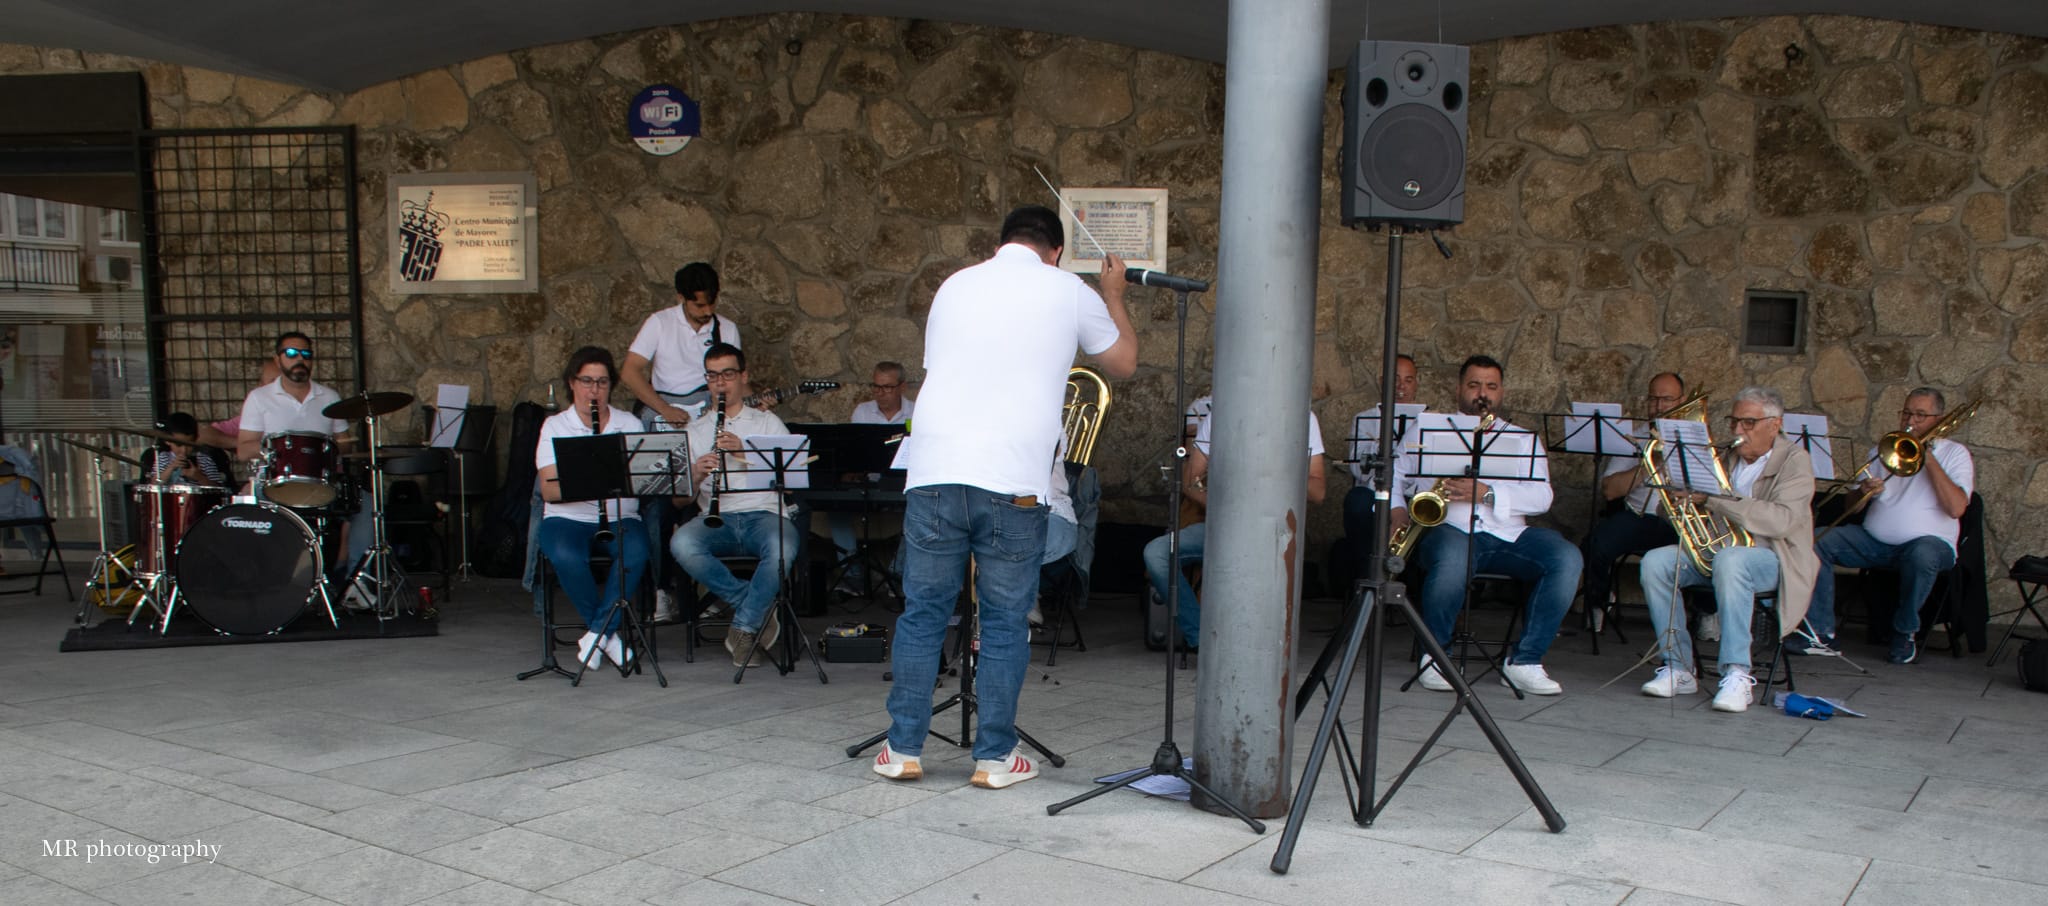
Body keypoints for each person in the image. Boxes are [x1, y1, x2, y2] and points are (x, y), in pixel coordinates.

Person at [873, 205, 1135, 789]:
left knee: (923, 613)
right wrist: (1112, 292)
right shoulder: (1068, 289)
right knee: (1004, 620)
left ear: (1001, 244)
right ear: (1057, 251)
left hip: (935, 468)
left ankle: (901, 749)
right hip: (1011, 478)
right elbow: (1123, 360)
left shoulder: (954, 285)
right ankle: (994, 757)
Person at [1392, 355, 1580, 696]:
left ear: (1501, 392)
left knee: (1566, 558)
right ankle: (1436, 658)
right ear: (1459, 388)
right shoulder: (1427, 427)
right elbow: (1395, 473)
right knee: (1452, 562)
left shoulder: (1523, 440)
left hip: (1508, 534)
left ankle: (1526, 661)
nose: (1483, 393)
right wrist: (1396, 511)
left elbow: (1542, 498)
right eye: (1474, 384)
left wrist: (1489, 493)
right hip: (1448, 529)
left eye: (1491, 386)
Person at [1636, 386, 1817, 711]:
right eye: (1734, 421)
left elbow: (1781, 521)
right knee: (1655, 562)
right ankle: (1678, 666)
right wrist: (1674, 490)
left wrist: (1716, 500)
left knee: (1732, 560)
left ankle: (1737, 674)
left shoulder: (1795, 461)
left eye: (1747, 423)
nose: (1737, 430)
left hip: (1777, 559)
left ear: (1774, 424)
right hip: (1720, 555)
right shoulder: (1723, 457)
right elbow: (1680, 515)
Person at [1801, 387, 1974, 664]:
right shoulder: (1885, 449)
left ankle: (1904, 632)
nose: (1910, 421)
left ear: (1939, 419)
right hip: (1875, 541)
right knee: (1817, 541)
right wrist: (1863, 492)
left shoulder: (1955, 454)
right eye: (1906, 412)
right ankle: (1820, 632)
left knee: (1922, 554)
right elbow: (1851, 509)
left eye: (1920, 415)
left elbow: (1956, 508)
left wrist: (1928, 460)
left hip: (1930, 545)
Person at [1144, 406, 1326, 650]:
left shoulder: (1301, 416)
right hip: (1224, 526)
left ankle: (1260, 644)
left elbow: (1318, 491)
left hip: (1272, 529)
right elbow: (1189, 481)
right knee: (1157, 553)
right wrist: (1221, 507)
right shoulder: (1220, 414)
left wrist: (1277, 477)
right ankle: (1201, 638)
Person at [668, 343, 805, 667]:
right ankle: (754, 605)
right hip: (719, 517)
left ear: (743, 377)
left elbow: (790, 478)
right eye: (713, 376)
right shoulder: (695, 430)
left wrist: (744, 452)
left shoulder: (767, 422)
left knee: (784, 546)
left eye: (727, 374)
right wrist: (697, 476)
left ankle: (744, 626)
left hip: (765, 513)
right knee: (681, 543)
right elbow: (679, 499)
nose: (720, 383)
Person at [621, 262, 738, 622]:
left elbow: (730, 380)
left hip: (704, 422)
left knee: (709, 501)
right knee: (657, 506)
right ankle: (660, 590)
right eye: (698, 305)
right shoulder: (659, 322)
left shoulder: (726, 328)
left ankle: (709, 593)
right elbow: (629, 370)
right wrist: (664, 408)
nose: (706, 313)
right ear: (681, 299)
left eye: (710, 305)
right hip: (664, 417)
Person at [534, 346, 648, 669]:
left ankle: (597, 633)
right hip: (567, 518)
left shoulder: (629, 424)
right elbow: (548, 488)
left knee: (636, 552)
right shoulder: (555, 427)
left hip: (619, 516)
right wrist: (592, 479)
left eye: (602, 382)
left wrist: (581, 478)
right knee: (567, 555)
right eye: (587, 381)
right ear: (573, 383)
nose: (594, 390)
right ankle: (608, 637)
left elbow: (640, 481)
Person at [235, 332, 369, 581]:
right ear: (278, 359)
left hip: (322, 484)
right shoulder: (259, 397)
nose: (300, 360)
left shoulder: (329, 397)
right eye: (291, 354)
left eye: (306, 354)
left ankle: (357, 584)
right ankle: (261, 582)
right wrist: (276, 449)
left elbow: (345, 445)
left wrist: (330, 449)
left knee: (367, 504)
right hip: (275, 484)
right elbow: (243, 449)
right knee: (242, 505)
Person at [1578, 372, 1687, 629]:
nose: (1659, 407)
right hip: (1641, 518)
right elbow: (1610, 490)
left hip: (1683, 522)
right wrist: (1652, 461)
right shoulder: (1634, 438)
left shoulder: (1697, 440)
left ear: (1683, 401)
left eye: (1667, 400)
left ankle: (1706, 611)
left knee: (1718, 551)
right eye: (1653, 399)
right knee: (1595, 543)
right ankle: (1599, 601)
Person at [1341, 353, 1419, 567]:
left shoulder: (1428, 423)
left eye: (1408, 380)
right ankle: (1367, 574)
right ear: (1382, 381)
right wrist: (1381, 445)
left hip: (1412, 493)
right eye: (1395, 379)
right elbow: (1358, 471)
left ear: (1415, 385)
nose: (1401, 386)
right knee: (1356, 502)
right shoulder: (1365, 420)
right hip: (1373, 492)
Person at [199, 358, 280, 450]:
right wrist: (245, 445)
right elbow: (204, 435)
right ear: (261, 386)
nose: (280, 387)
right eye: (273, 382)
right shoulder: (255, 416)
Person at [148, 413, 229, 487]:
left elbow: (218, 489)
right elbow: (154, 484)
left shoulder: (204, 459)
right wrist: (171, 468)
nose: (184, 450)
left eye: (189, 445)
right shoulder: (164, 457)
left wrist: (200, 477)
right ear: (167, 441)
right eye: (178, 445)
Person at [851, 361, 915, 425]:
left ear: (902, 387)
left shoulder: (916, 412)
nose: (880, 393)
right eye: (876, 386)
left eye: (887, 387)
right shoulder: (863, 412)